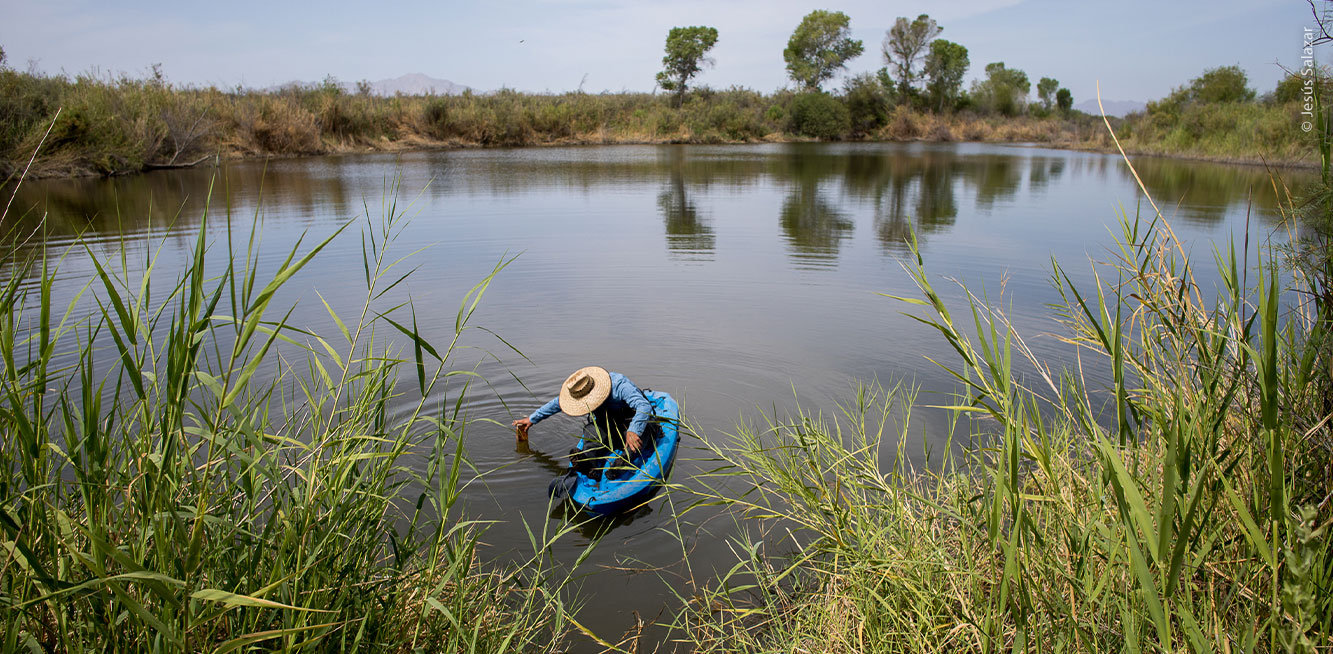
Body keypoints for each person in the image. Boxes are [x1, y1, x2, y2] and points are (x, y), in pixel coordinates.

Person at [512, 366, 653, 458]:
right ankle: (586, 463)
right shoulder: (577, 391)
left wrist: (634, 430)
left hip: (629, 422)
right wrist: (532, 419)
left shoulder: (619, 385)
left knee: (642, 436)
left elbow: (643, 406)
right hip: (606, 425)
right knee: (591, 431)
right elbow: (556, 404)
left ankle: (622, 462)